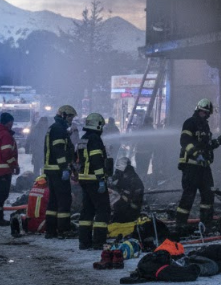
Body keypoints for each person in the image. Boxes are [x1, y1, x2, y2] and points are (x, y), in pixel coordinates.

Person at [175, 98, 221, 237]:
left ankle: (206, 224)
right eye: (202, 112)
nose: (204, 114)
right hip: (191, 167)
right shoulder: (189, 123)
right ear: (197, 110)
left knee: (208, 195)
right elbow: (184, 141)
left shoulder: (205, 126)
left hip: (204, 168)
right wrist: (197, 155)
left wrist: (218, 142)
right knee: (188, 196)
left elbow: (206, 146)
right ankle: (180, 224)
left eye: (206, 113)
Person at [75, 113, 111, 250]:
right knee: (103, 210)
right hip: (94, 180)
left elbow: (77, 158)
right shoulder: (95, 139)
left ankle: (84, 242)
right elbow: (96, 160)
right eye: (101, 125)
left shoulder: (83, 138)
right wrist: (101, 178)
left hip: (84, 179)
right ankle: (99, 242)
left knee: (87, 211)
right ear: (97, 125)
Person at [44, 104, 78, 239]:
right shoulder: (58, 129)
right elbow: (59, 151)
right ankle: (63, 229)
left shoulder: (56, 128)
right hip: (58, 170)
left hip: (52, 170)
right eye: (70, 117)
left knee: (53, 200)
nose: (71, 120)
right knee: (64, 199)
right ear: (64, 115)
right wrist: (64, 168)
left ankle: (51, 230)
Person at [0, 112, 20, 226]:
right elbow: (6, 153)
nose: (12, 125)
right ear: (9, 122)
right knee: (1, 195)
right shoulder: (5, 135)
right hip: (4, 170)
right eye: (11, 122)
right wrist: (15, 165)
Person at [110, 156, 145, 224]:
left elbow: (133, 201)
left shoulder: (133, 180)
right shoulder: (123, 176)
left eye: (118, 170)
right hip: (123, 209)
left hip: (129, 213)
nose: (117, 172)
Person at [133, 117, 155, 184]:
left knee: (139, 169)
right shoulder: (151, 129)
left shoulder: (139, 128)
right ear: (149, 122)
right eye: (151, 122)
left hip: (138, 152)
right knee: (144, 169)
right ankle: (142, 183)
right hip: (146, 153)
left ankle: (137, 183)